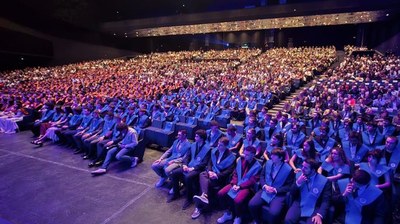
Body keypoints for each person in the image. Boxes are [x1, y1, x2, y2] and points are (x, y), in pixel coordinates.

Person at [191, 137, 236, 219]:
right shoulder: (214, 151)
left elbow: (229, 171)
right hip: (211, 173)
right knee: (202, 174)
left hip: (220, 177)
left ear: (226, 146)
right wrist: (210, 171)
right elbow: (209, 163)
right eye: (218, 144)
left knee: (206, 182)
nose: (218, 146)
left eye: (221, 145)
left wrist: (217, 175)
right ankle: (204, 196)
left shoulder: (231, 157)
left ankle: (199, 207)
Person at [217, 146, 262, 224]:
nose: (245, 155)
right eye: (245, 153)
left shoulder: (258, 166)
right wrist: (234, 184)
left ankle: (238, 217)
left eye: (247, 154)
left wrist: (240, 186)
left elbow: (253, 180)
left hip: (247, 187)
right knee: (220, 193)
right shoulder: (241, 160)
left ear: (253, 155)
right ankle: (228, 213)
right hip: (235, 183)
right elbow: (235, 173)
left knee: (237, 200)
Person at [167, 129, 211, 210]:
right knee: (174, 173)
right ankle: (176, 193)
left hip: (198, 168)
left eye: (197, 136)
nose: (195, 137)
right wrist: (185, 165)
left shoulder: (207, 149)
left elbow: (204, 163)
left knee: (188, 177)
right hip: (188, 166)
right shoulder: (193, 145)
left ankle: (189, 198)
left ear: (202, 138)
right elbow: (187, 157)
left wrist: (193, 168)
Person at [248, 148, 294, 224]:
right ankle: (258, 221)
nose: (271, 156)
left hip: (278, 194)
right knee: (252, 204)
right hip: (266, 189)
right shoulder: (268, 163)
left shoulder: (288, 169)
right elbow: (262, 176)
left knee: (274, 213)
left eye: (274, 155)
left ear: (280, 158)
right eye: (271, 154)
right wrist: (265, 186)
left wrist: (276, 190)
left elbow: (289, 186)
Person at [284, 158, 332, 224]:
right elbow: (291, 193)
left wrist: (319, 215)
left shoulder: (324, 181)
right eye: (302, 166)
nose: (302, 169)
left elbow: (326, 201)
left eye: (305, 168)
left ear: (313, 170)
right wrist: (298, 183)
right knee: (288, 220)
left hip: (315, 206)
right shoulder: (299, 175)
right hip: (299, 203)